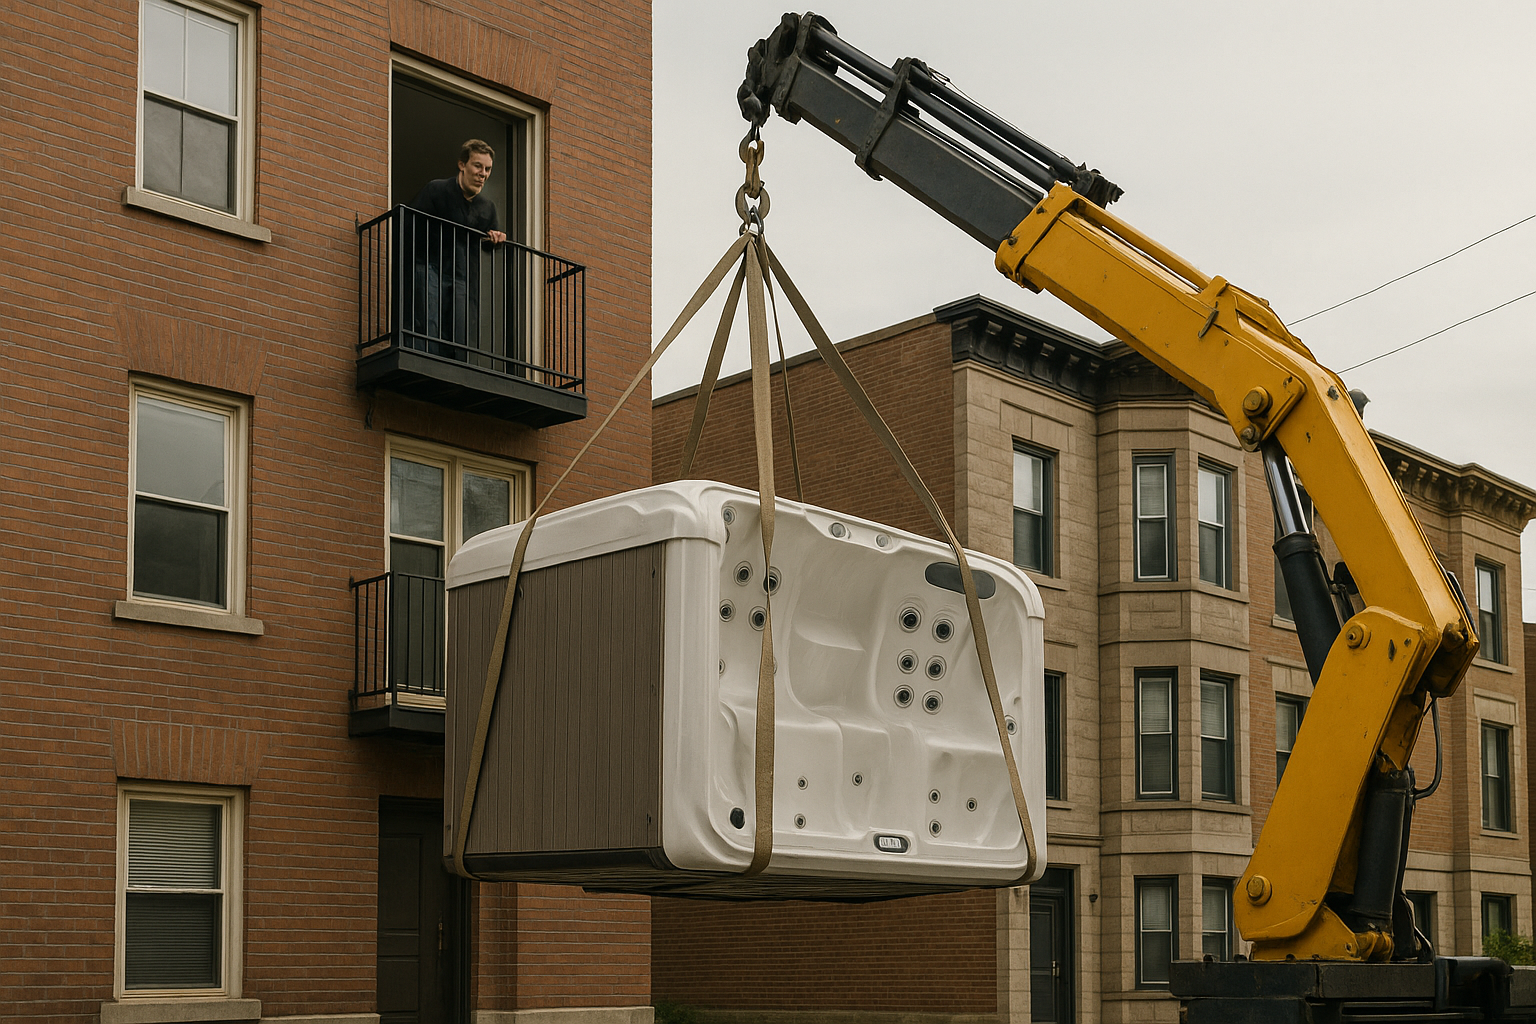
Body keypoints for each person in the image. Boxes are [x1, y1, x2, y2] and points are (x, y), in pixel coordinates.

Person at [408, 140, 507, 357]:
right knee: (428, 325)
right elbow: (409, 225)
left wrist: (497, 239)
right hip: (430, 267)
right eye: (478, 166)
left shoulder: (487, 207)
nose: (483, 173)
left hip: (462, 276)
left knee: (459, 332)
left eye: (488, 169)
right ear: (462, 165)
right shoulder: (436, 189)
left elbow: (493, 241)